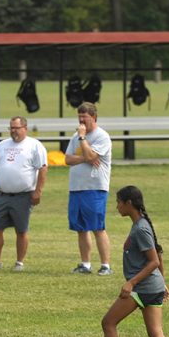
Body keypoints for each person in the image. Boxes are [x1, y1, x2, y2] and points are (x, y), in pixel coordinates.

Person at [84, 186, 169, 337]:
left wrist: (131, 282)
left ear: (129, 203)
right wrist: (162, 282)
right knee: (155, 333)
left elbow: (153, 261)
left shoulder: (140, 228)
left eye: (119, 202)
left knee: (108, 323)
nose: (117, 207)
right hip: (152, 287)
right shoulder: (141, 224)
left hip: (142, 288)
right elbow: (158, 253)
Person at [0, 116, 48, 271]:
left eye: (16, 128)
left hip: (23, 195)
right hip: (3, 195)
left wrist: (38, 191)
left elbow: (43, 168)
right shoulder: (2, 145)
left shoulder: (34, 145)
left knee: (21, 229)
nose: (13, 131)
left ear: (25, 128)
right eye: (11, 128)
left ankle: (19, 262)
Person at [64, 103, 113, 275]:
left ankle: (105, 265)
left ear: (94, 117)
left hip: (95, 188)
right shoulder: (75, 136)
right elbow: (68, 159)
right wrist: (84, 157)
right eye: (79, 117)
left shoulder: (102, 137)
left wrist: (83, 139)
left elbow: (92, 155)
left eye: (85, 117)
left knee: (97, 227)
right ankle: (85, 264)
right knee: (81, 228)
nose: (81, 120)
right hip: (76, 188)